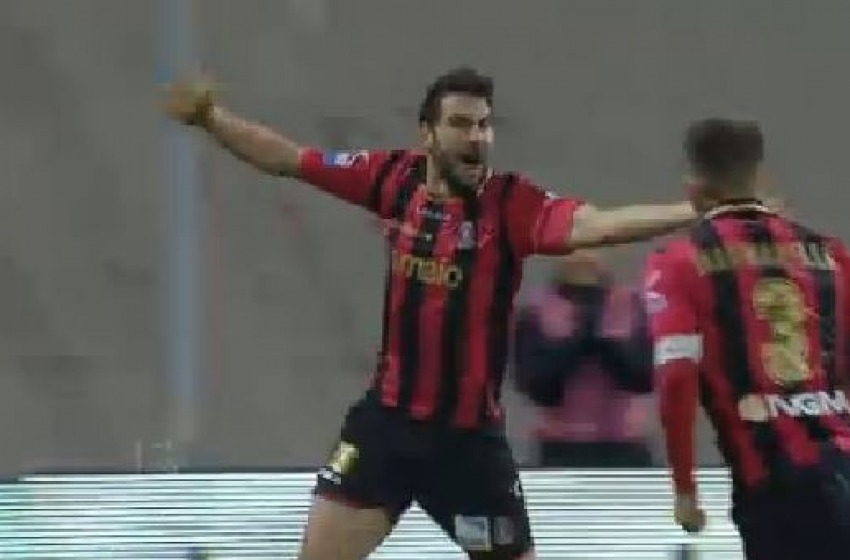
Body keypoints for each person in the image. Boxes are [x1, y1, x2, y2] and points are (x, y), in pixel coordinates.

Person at [164, 67, 698, 560]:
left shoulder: (511, 204)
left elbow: (596, 225)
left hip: (469, 447)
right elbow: (290, 159)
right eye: (461, 124)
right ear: (428, 134)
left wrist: (697, 210)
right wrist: (211, 119)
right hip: (386, 430)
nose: (476, 138)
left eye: (483, 125)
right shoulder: (392, 178)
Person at [645, 118, 850, 559]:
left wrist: (685, 488)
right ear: (760, 177)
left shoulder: (678, 262)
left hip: (773, 482)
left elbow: (677, 378)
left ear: (693, 187)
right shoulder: (831, 253)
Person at [513, 249, 653, 467]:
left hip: (624, 442)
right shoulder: (537, 312)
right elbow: (536, 387)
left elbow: (644, 379)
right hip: (561, 444)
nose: (584, 259)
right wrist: (576, 342)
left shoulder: (630, 306)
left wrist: (606, 344)